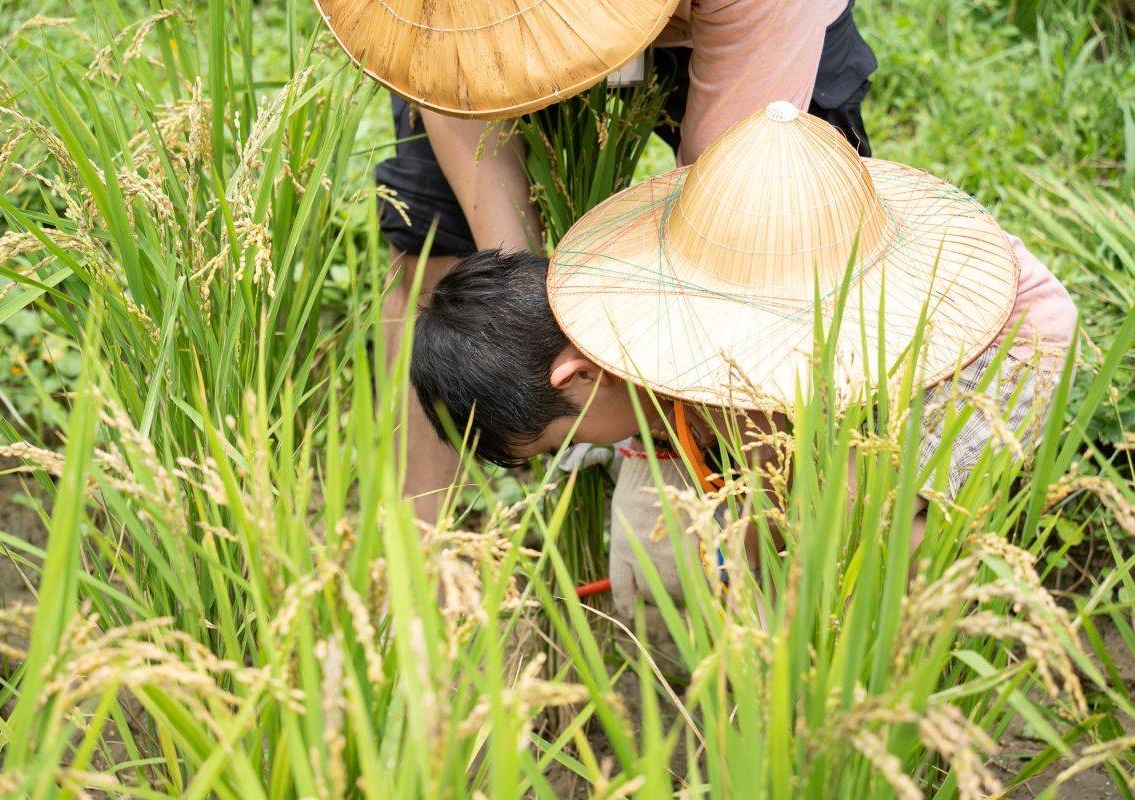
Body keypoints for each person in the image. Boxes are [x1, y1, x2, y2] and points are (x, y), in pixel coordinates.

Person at [409, 103, 1078, 617]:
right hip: (879, 303)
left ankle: (919, 655)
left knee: (884, 529)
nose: (580, 448)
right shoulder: (613, 318)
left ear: (579, 375)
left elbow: (790, 502)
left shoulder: (721, 366)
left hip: (1000, 338)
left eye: (565, 440)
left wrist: (770, 622)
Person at [317, 0, 878, 520]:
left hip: (729, 22)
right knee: (435, 246)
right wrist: (519, 284)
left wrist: (668, 430)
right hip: (486, 39)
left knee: (771, 248)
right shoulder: (439, 15)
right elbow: (447, 66)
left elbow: (721, 222)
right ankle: (417, 563)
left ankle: (779, 540)